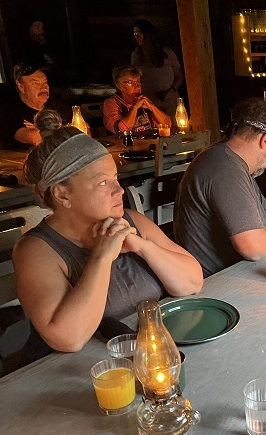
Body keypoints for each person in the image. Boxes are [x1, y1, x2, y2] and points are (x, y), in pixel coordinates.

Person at [12, 110, 203, 363]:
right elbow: (70, 338)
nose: (119, 190)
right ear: (62, 194)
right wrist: (102, 256)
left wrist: (142, 246)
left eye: (115, 177)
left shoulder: (131, 221)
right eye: (103, 182)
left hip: (145, 357)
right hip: (71, 375)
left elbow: (192, 282)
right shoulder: (35, 251)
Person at [174, 97, 266, 277]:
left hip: (234, 273)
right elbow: (253, 248)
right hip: (218, 282)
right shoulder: (225, 169)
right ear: (265, 140)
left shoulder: (231, 161)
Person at [0, 63, 71, 150]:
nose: (44, 88)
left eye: (45, 82)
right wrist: (61, 130)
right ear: (21, 86)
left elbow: (78, 130)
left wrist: (41, 129)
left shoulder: (58, 105)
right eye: (36, 83)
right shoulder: (11, 111)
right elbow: (35, 138)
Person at [131, 19, 185, 118]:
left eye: (138, 33)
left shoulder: (167, 53)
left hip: (169, 99)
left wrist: (171, 91)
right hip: (150, 100)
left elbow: (179, 76)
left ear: (147, 35)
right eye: (134, 34)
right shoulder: (136, 56)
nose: (136, 37)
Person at [102, 65, 170, 135]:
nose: (137, 86)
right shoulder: (111, 103)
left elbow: (167, 125)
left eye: (138, 82)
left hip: (148, 141)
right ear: (119, 86)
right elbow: (121, 130)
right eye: (130, 83)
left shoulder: (144, 101)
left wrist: (152, 107)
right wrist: (135, 107)